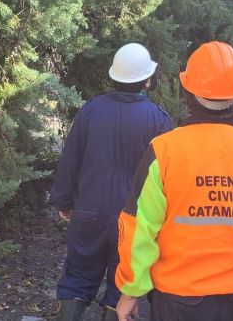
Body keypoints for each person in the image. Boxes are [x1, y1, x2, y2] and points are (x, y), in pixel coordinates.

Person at [115, 41, 233, 321]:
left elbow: (138, 228)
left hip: (180, 300)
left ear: (188, 91)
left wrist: (131, 292)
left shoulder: (163, 152)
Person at [49, 43, 173, 321]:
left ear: (114, 76)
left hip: (89, 212)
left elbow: (71, 159)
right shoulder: (159, 121)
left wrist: (64, 200)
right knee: (123, 284)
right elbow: (168, 179)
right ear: (148, 79)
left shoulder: (91, 111)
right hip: (134, 221)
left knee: (77, 278)